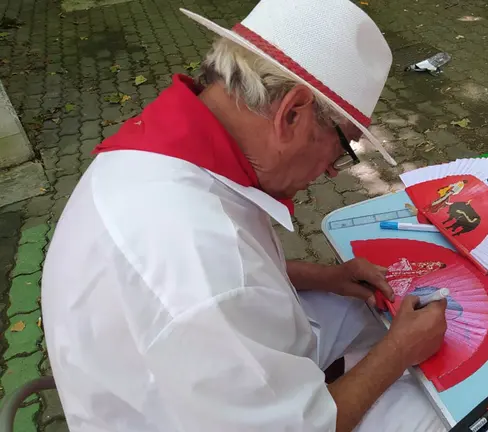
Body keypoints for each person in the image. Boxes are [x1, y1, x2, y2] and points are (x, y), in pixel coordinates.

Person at [41, 1, 448, 431]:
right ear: (291, 114)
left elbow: (232, 282)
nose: (333, 169)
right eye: (343, 145)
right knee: (438, 413)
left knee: (367, 315)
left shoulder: (164, 153)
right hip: (174, 412)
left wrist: (322, 277)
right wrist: (398, 351)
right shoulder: (205, 259)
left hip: (176, 370)